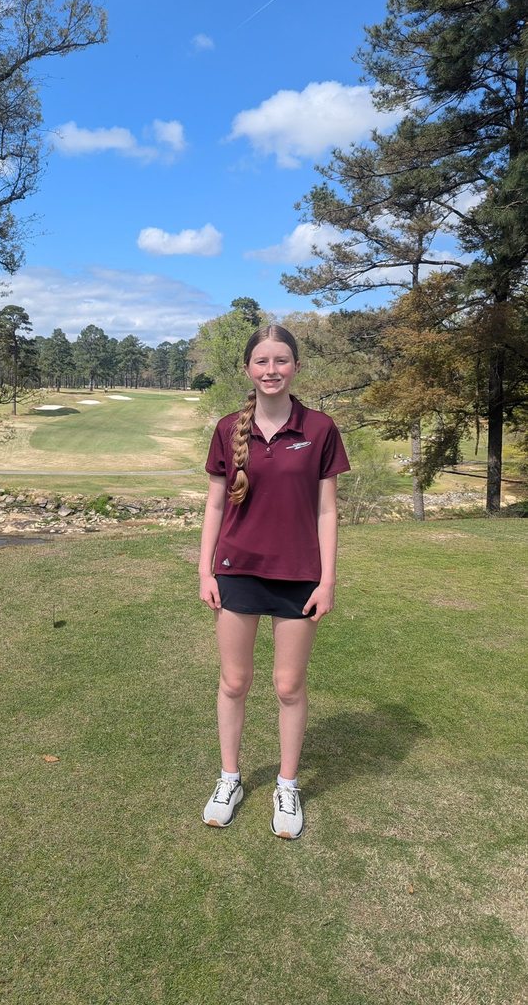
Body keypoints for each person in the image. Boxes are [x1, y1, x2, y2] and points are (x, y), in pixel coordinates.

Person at [199, 324, 350, 839]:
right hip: (236, 570)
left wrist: (328, 579)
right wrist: (205, 570)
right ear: (248, 369)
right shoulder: (226, 428)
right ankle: (230, 778)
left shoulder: (320, 427)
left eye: (281, 361)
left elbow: (328, 510)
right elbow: (215, 504)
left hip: (299, 576)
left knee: (288, 686)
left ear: (296, 367)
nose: (271, 370)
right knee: (234, 682)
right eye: (262, 361)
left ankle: (287, 784)